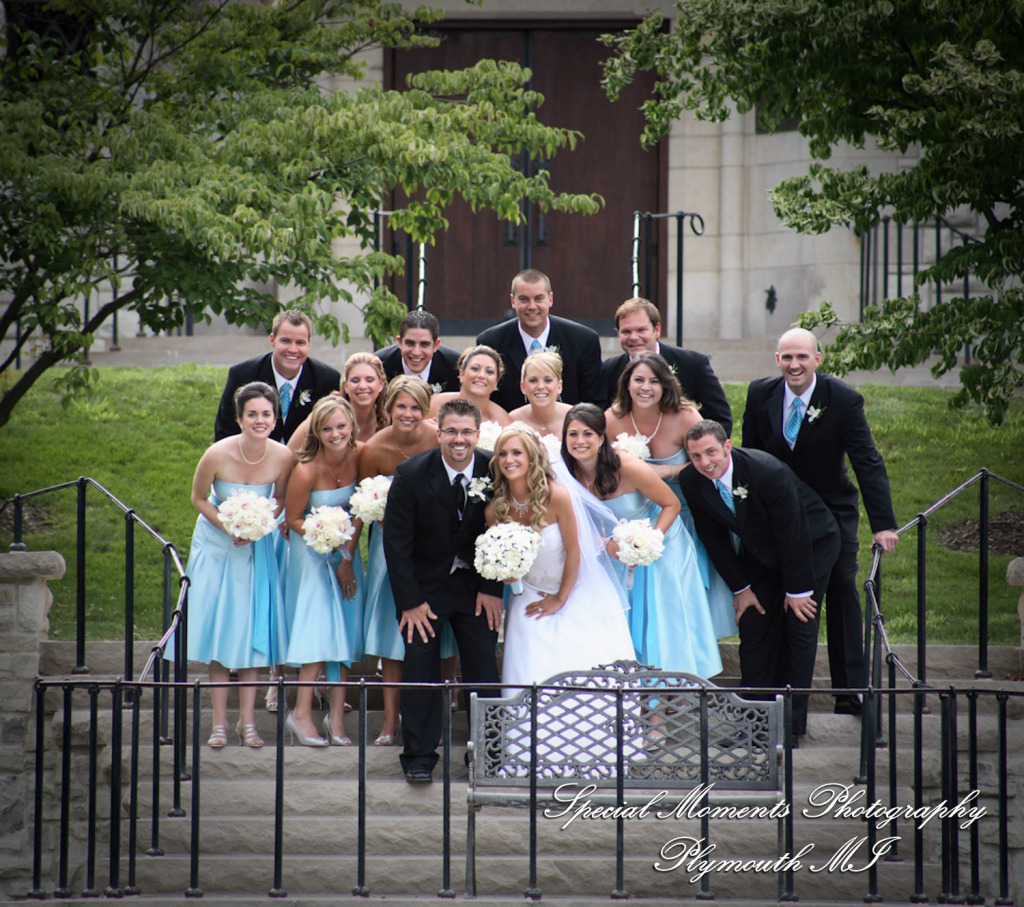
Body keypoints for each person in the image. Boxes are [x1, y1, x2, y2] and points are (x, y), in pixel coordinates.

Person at [742, 327, 899, 716]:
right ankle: (780, 690)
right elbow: (751, 458)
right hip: (781, 516)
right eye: (787, 357)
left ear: (818, 358)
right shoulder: (760, 393)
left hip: (832, 511)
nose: (794, 365)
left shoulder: (842, 400)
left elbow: (867, 460)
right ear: (777, 360)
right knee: (785, 590)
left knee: (844, 586)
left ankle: (850, 690)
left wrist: (883, 523)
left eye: (802, 357)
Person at [681, 420, 840, 741]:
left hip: (811, 544)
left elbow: (793, 531)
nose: (705, 462)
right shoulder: (692, 480)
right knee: (753, 625)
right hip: (760, 553)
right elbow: (713, 538)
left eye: (711, 452)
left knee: (799, 625)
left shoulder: (766, 471)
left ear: (727, 446)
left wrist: (797, 590)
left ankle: (789, 728)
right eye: (696, 456)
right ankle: (752, 725)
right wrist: (741, 588)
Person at [383, 399, 503, 784]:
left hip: (476, 587)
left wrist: (492, 588)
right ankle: (418, 756)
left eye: (467, 431)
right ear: (438, 433)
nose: (459, 439)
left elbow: (504, 534)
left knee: (483, 666)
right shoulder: (411, 473)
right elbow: (396, 544)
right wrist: (410, 602)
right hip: (426, 589)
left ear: (478, 434)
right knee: (420, 665)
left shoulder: (494, 469)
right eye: (451, 431)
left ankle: (488, 756)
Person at [561, 404, 723, 680]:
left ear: (602, 438)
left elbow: (670, 504)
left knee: (659, 621)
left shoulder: (627, 467)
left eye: (587, 434)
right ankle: (629, 693)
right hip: (614, 549)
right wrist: (605, 542)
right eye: (572, 434)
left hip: (660, 543)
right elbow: (572, 521)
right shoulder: (567, 474)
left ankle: (662, 700)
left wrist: (648, 542)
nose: (579, 441)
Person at [183, 381, 293, 748]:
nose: (259, 420)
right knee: (220, 630)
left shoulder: (283, 457)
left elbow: (280, 500)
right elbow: (199, 498)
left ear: (275, 418)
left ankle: (248, 724)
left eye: (266, 414)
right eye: (252, 414)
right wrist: (230, 525)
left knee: (251, 632)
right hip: (217, 546)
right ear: (239, 418)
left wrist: (259, 526)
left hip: (257, 547)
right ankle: (218, 724)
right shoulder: (216, 453)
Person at [488, 424, 634, 691]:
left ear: (532, 457)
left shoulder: (557, 496)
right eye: (503, 454)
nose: (509, 460)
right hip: (529, 592)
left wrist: (559, 599)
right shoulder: (495, 508)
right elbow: (500, 560)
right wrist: (507, 573)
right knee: (531, 659)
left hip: (574, 586)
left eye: (517, 453)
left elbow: (575, 551)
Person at [605, 351, 736, 639]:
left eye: (654, 381)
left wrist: (670, 471)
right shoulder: (612, 418)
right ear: (627, 383)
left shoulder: (685, 415)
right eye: (638, 380)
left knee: (678, 596)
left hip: (684, 512)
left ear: (666, 384)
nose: (645, 387)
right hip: (631, 519)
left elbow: (709, 461)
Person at [358, 377, 459, 746]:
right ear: (388, 409)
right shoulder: (374, 450)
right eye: (401, 406)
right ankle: (389, 721)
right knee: (392, 635)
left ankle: (442, 713)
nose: (408, 414)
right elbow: (362, 503)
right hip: (393, 552)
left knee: (440, 636)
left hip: (434, 546)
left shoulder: (438, 438)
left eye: (416, 407)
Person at [282, 397, 365, 747]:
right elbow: (292, 519)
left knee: (344, 627)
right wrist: (326, 537)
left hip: (346, 551)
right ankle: (300, 713)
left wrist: (346, 554)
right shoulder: (306, 470)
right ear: (316, 431)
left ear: (351, 427)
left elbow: (362, 507)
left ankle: (336, 716)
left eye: (341, 426)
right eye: (327, 428)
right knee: (319, 627)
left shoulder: (359, 456)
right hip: (311, 554)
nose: (335, 434)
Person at [476, 269, 605, 412]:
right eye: (524, 299)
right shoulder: (491, 342)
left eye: (538, 298)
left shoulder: (583, 341)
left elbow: (594, 403)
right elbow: (487, 400)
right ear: (513, 301)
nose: (532, 307)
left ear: (550, 299)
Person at [600, 298, 732, 434]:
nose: (633, 337)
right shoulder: (609, 370)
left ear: (656, 330)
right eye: (626, 332)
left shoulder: (693, 364)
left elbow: (720, 419)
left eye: (641, 330)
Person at [214, 310, 341, 443]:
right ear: (272, 340)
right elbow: (226, 433)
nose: (293, 349)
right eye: (286, 341)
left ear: (309, 344)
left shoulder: (326, 379)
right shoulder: (243, 375)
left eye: (300, 343)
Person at [288, 352, 388, 452]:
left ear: (381, 384)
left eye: (370, 380)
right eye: (355, 380)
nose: (362, 386)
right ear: (346, 386)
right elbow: (290, 453)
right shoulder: (325, 412)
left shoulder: (388, 419)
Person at [375, 310, 461, 393]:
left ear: (436, 345)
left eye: (424, 344)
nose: (416, 352)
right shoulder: (380, 366)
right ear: (400, 342)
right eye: (410, 343)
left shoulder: (455, 366)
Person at [429, 345, 513, 429]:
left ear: (496, 382)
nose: (481, 375)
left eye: (489, 371)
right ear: (461, 374)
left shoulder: (504, 423)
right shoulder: (433, 405)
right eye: (475, 368)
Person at [508, 351, 572, 440]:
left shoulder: (573, 417)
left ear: (559, 386)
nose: (540, 387)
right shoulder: (513, 420)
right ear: (523, 387)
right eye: (533, 380)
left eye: (548, 380)